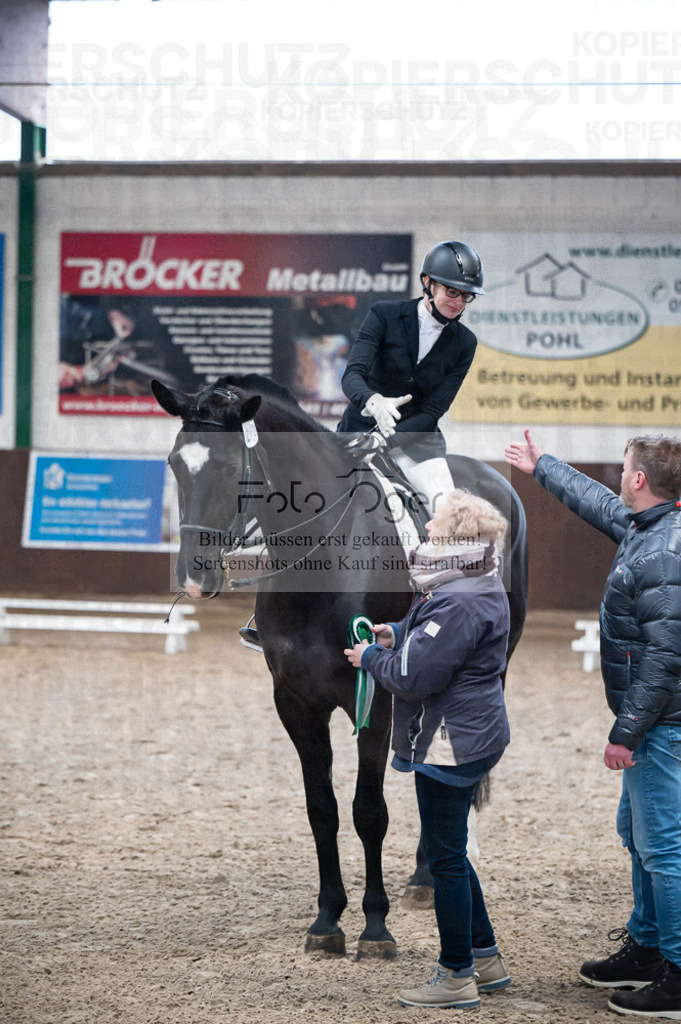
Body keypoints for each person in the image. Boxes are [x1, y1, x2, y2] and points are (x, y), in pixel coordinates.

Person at [505, 429, 681, 1020]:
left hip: (660, 725)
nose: (617, 479)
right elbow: (599, 503)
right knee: (640, 837)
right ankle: (648, 948)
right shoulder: (648, 526)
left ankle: (677, 972)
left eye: (624, 468)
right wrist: (542, 466)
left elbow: (665, 657)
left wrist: (626, 731)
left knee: (664, 849)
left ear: (638, 479)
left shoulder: (662, 552)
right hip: (653, 722)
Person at [344, 489, 512, 1009]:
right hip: (471, 735)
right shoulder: (467, 582)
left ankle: (457, 974)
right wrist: (395, 633)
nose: (427, 524)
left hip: (450, 744)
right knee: (453, 853)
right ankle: (484, 957)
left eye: (434, 519)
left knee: (445, 862)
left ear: (453, 535)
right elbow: (427, 640)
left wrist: (371, 656)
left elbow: (414, 677)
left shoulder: (458, 599)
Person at [337, 241, 484, 515]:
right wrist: (373, 400)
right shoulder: (384, 315)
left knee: (447, 518)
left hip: (417, 445)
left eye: (466, 297)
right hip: (358, 433)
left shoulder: (465, 343)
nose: (458, 303)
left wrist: (386, 439)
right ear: (428, 283)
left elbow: (433, 410)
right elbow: (353, 375)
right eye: (452, 292)